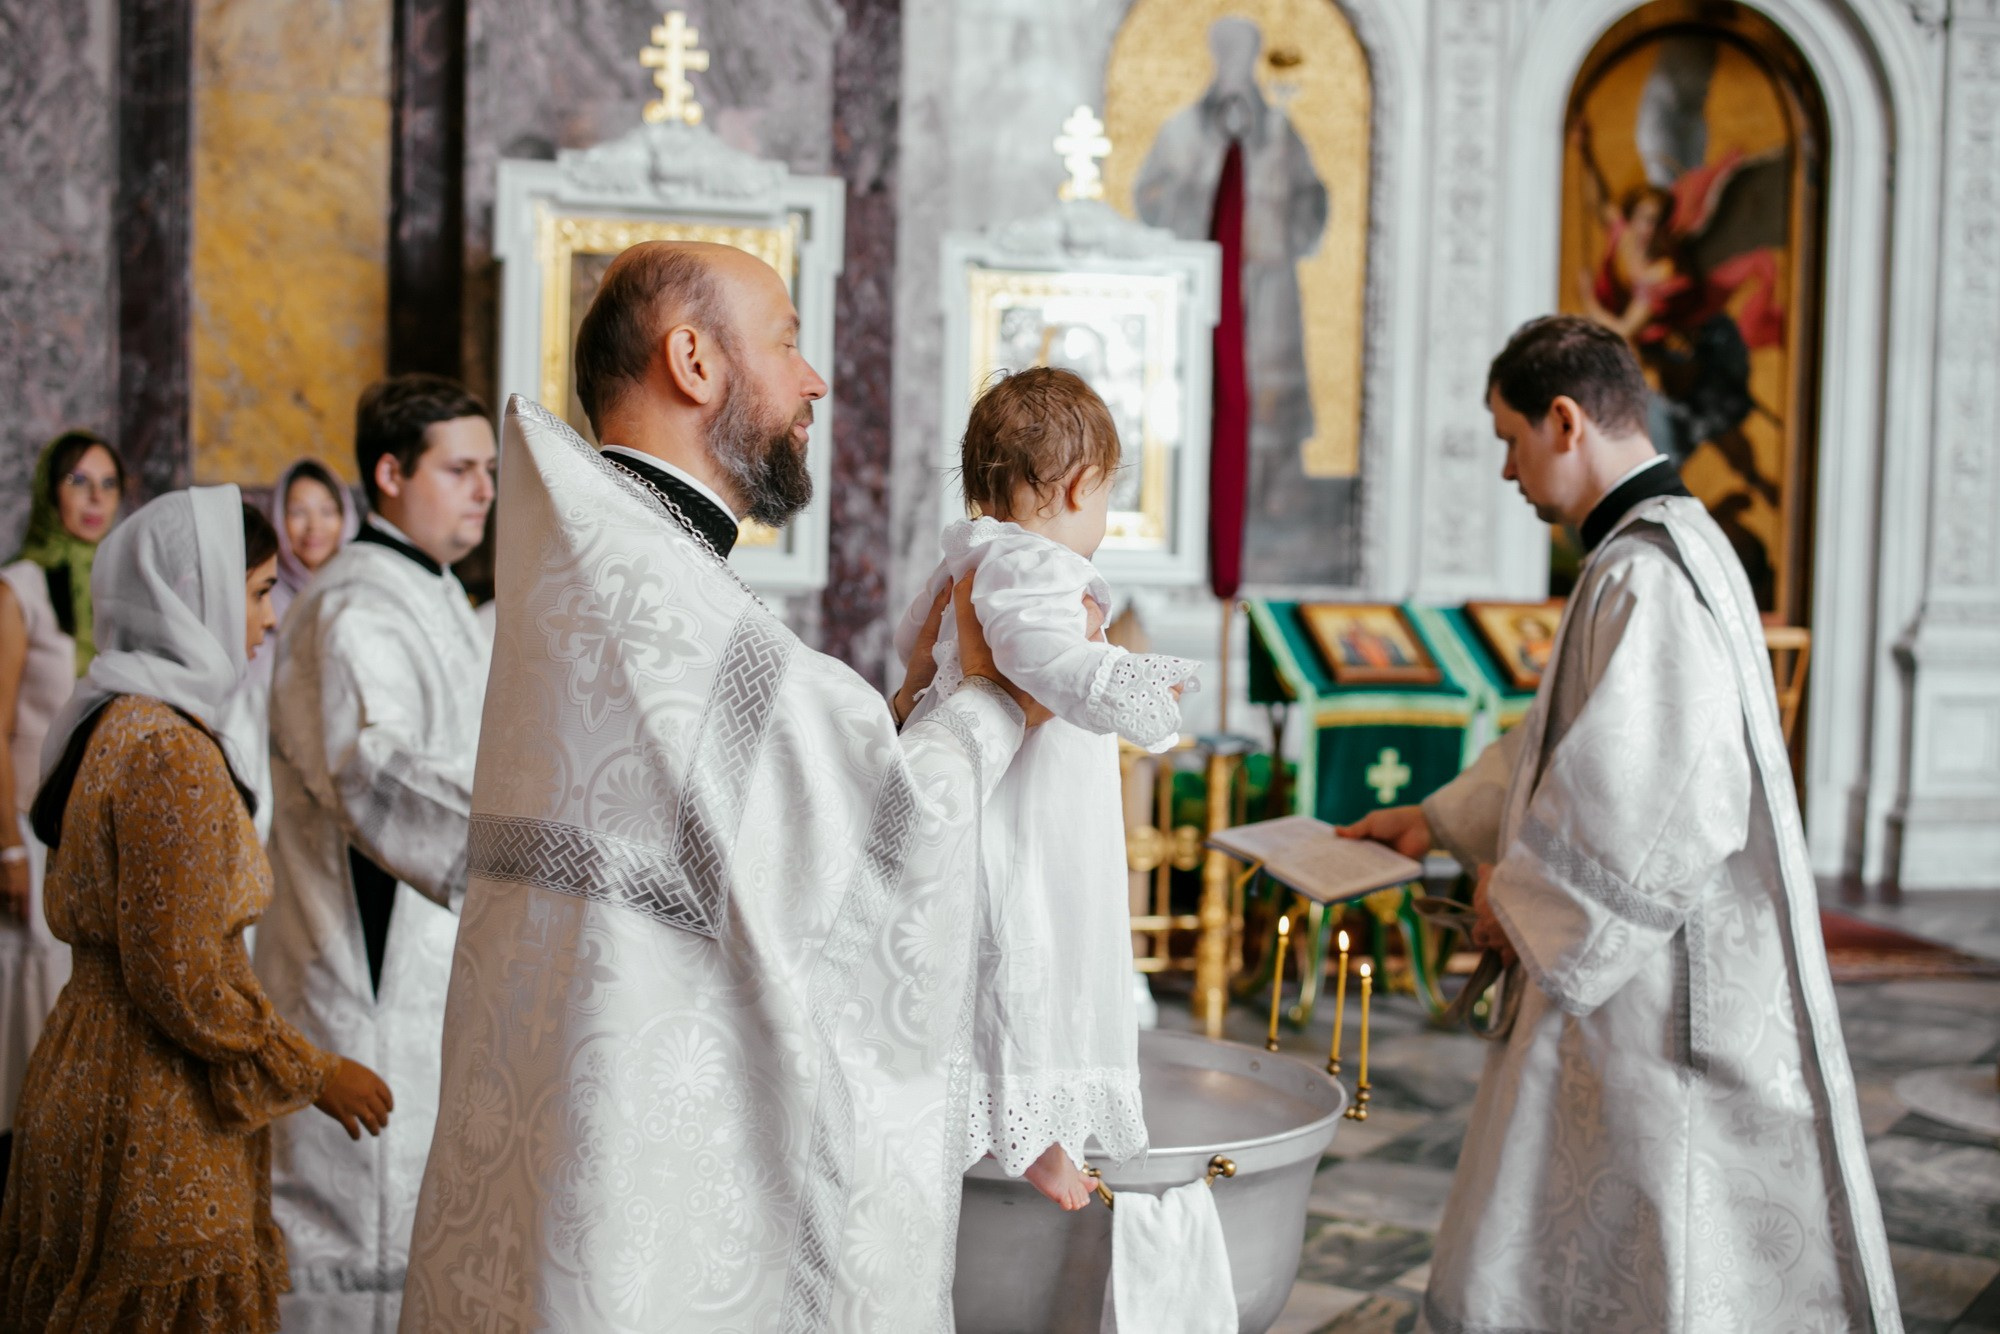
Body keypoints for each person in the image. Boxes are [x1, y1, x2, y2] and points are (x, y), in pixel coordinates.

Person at [402, 241, 1037, 1331]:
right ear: (692, 361)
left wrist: (894, 721)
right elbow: (896, 843)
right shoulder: (679, 612)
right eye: (786, 341)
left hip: (560, 1174)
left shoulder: (591, 578)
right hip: (645, 1205)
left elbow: (760, 836)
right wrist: (988, 700)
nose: (813, 379)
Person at [1341, 316, 1899, 1331]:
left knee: (1659, 1229)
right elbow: (1569, 742)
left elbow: (1661, 791)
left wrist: (1523, 900)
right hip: (1628, 968)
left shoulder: (1649, 569)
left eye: (1510, 439)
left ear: (1563, 421)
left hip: (1656, 981)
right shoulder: (1653, 550)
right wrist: (1436, 820)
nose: (1507, 470)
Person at [0, 487, 391, 1333]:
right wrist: (313, 1072)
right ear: (193, 595)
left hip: (87, 1065)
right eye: (257, 592)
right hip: (152, 1100)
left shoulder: (112, 719)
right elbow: (180, 979)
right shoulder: (168, 752)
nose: (270, 619)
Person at [894, 367, 1197, 1210]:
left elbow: (920, 642)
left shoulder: (976, 561)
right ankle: (1037, 1136)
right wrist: (1128, 682)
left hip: (1008, 790)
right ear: (1076, 487)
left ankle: (1037, 1126)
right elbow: (1040, 658)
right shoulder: (1032, 565)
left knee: (1031, 957)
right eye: (1106, 498)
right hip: (1022, 811)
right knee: (1034, 952)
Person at [255, 375, 495, 1333]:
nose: (484, 490)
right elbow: (375, 771)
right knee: (358, 1221)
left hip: (430, 949)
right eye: (460, 470)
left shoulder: (431, 588)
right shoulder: (358, 602)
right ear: (391, 474)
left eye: (489, 471)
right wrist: (527, 849)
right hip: (365, 968)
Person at [0, 431, 123, 1197]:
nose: (94, 499)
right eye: (79, 482)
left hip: (96, 835)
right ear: (52, 492)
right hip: (29, 827)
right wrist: (7, 849)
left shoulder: (120, 589)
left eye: (107, 484)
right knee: (30, 1016)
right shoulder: (20, 588)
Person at [221, 459, 360, 843]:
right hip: (269, 786)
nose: (314, 526)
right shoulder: (257, 606)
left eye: (327, 511)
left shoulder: (358, 598)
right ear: (278, 520)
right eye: (298, 512)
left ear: (346, 518)